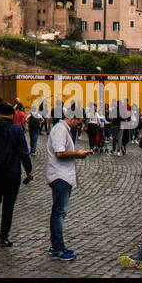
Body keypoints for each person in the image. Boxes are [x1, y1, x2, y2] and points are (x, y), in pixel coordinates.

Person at [0, 100, 33, 246]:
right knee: (8, 205)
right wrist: (29, 171)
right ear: (13, 114)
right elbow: (24, 152)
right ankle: (4, 237)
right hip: (12, 171)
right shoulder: (17, 129)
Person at [45, 108, 91, 261]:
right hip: (60, 176)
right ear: (72, 119)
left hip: (63, 175)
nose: (79, 126)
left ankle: (57, 246)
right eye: (79, 123)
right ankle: (57, 248)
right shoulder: (60, 130)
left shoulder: (63, 129)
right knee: (59, 213)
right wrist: (77, 154)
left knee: (59, 212)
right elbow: (60, 153)